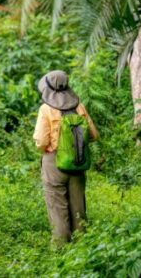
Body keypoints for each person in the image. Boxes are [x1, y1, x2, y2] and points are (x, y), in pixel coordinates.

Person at [32, 70, 98, 245]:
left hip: (54, 163)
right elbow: (93, 135)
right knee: (78, 209)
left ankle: (61, 250)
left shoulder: (46, 109)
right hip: (78, 163)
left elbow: (41, 141)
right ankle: (83, 249)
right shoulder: (79, 107)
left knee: (57, 208)